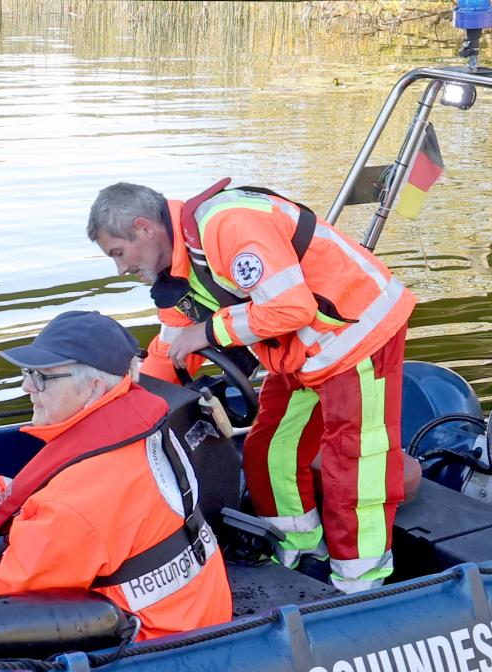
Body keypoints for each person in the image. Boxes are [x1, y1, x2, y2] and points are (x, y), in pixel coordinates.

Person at [88, 180, 415, 593]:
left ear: (144, 227)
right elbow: (170, 352)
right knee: (268, 452)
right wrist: (126, 414)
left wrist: (209, 330)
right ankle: (298, 553)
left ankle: (360, 585)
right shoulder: (177, 272)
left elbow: (292, 307)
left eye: (118, 253)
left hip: (356, 335)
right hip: (301, 354)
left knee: (354, 463)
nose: (120, 269)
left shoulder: (227, 226)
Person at [0, 311, 232, 640]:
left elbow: (3, 598)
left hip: (153, 644)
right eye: (27, 373)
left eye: (41, 377)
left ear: (93, 387)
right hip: (200, 611)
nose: (26, 386)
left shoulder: (76, 500)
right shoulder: (146, 429)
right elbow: (44, 503)